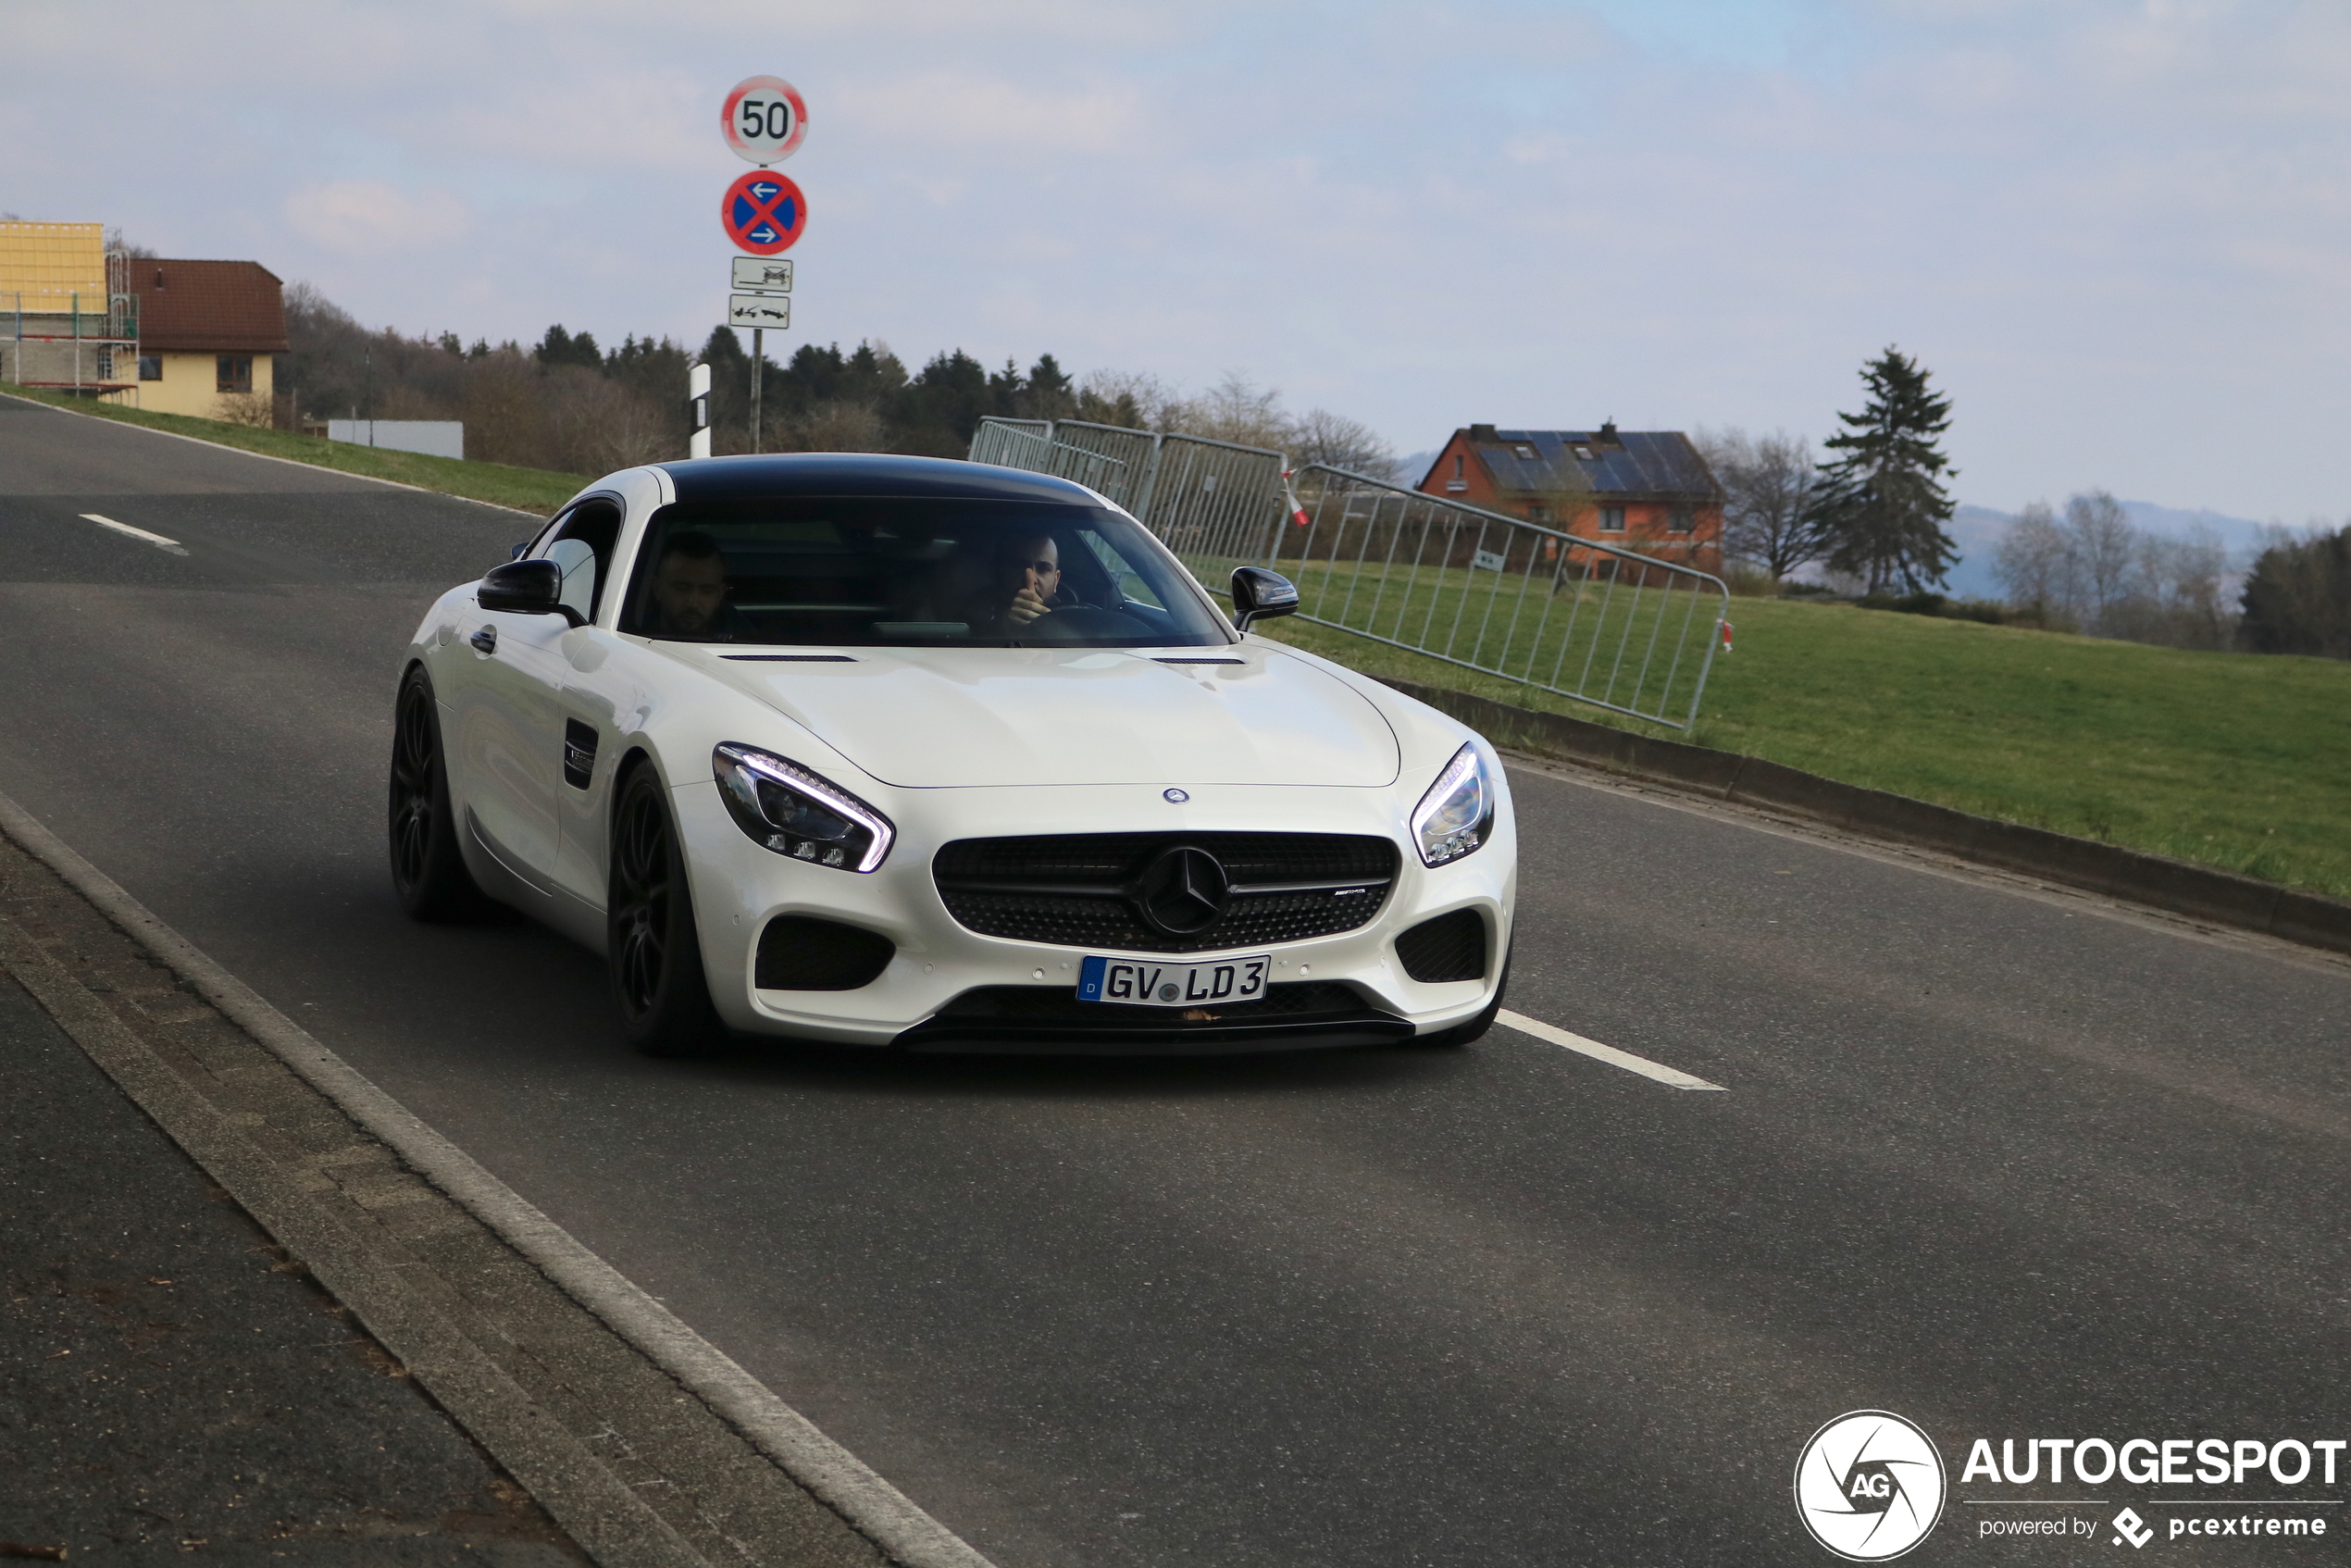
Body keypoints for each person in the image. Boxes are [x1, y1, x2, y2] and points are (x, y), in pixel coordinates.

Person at [648, 530, 735, 641]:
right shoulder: (628, 631)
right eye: (682, 589)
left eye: (707, 591)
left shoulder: (742, 640)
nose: (693, 604)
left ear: (719, 595)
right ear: (657, 589)